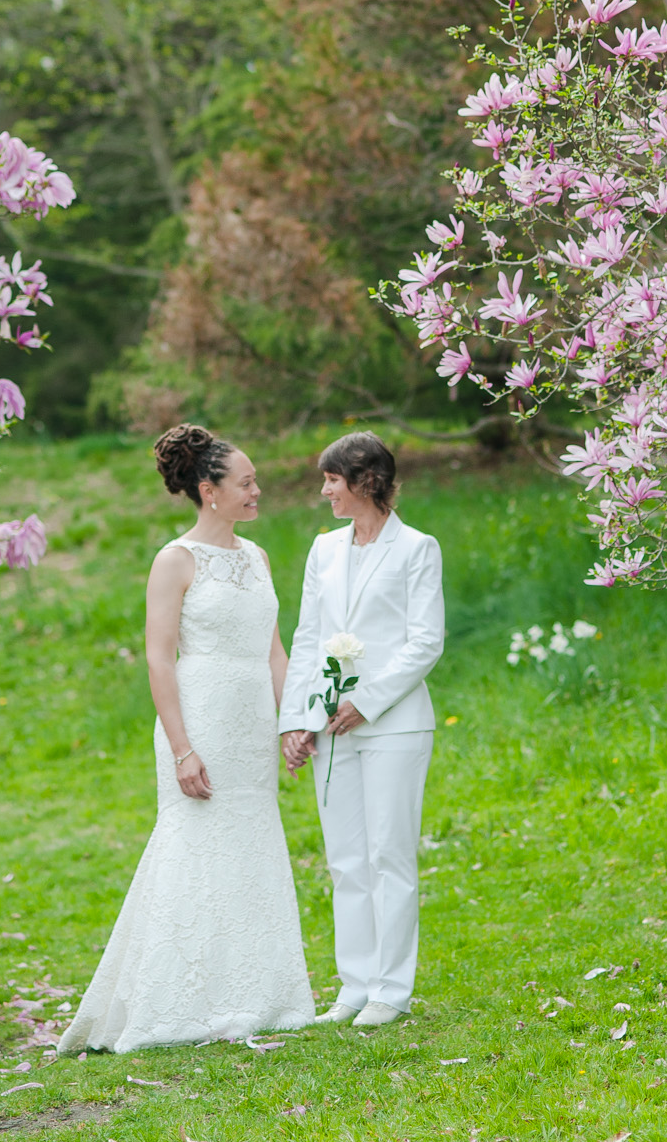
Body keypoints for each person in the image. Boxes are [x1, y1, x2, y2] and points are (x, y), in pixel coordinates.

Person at [57, 424, 314, 1054]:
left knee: (251, 846)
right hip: (199, 721)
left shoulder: (256, 557)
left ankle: (262, 996)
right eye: (246, 482)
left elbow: (273, 647)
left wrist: (292, 719)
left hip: (251, 721)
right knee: (193, 847)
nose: (259, 490)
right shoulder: (175, 560)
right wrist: (181, 747)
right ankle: (174, 1003)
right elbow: (159, 658)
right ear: (210, 490)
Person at [278, 432, 444, 1027]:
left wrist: (367, 702)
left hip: (395, 726)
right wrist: (297, 719)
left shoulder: (418, 548)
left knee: (388, 855)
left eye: (331, 480)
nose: (324, 491)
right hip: (329, 726)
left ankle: (391, 992)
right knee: (346, 859)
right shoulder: (323, 549)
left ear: (366, 480)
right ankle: (353, 987)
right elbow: (306, 636)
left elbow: (426, 642)